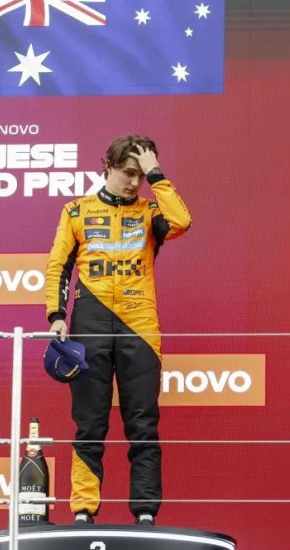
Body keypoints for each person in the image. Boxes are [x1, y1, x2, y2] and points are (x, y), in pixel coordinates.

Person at [45, 134, 192, 526]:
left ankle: (145, 513)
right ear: (107, 166)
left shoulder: (149, 213)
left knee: (143, 422)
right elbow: (59, 266)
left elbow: (182, 221)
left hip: (140, 327)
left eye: (139, 175)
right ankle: (83, 510)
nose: (133, 182)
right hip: (89, 323)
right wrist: (55, 316)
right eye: (127, 172)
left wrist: (156, 174)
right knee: (89, 422)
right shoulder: (76, 211)